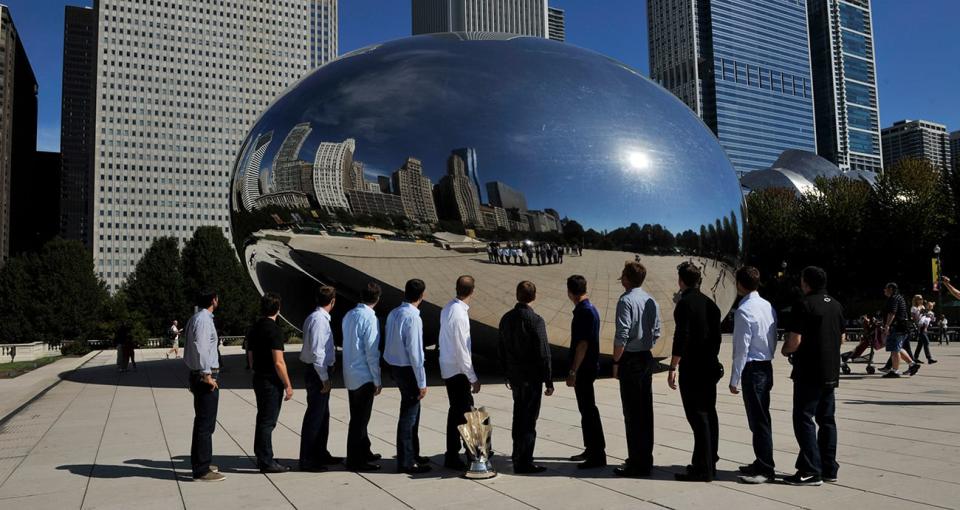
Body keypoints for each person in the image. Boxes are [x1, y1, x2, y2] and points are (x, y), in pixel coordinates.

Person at [781, 266, 843, 486]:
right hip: (830, 371)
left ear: (806, 282)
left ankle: (810, 469)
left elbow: (795, 341)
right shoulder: (836, 305)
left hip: (809, 371)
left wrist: (785, 350)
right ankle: (829, 468)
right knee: (827, 420)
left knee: (804, 418)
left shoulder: (803, 304)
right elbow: (842, 338)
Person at [668, 262, 722, 482]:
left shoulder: (684, 304)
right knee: (709, 414)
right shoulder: (711, 304)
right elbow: (717, 339)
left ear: (681, 281)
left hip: (693, 368)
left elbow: (682, 336)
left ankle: (704, 469)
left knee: (697, 416)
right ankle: (707, 461)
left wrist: (673, 365)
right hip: (709, 365)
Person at [498, 280, 554, 474]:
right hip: (531, 378)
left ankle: (517, 454)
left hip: (515, 377)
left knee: (518, 416)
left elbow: (501, 348)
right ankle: (525, 461)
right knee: (529, 420)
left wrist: (507, 372)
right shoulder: (535, 320)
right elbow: (543, 352)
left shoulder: (506, 318)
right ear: (534, 296)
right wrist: (548, 380)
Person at [729, 266, 778, 484]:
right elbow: (773, 336)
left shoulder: (743, 310)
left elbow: (741, 348)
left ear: (740, 284)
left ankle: (766, 468)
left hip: (752, 368)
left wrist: (734, 378)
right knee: (761, 418)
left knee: (758, 421)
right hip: (766, 365)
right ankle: (761, 460)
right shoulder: (767, 306)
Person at [612, 261, 661, 478]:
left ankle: (636, 463)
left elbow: (622, 334)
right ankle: (645, 459)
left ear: (627, 278)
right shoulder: (651, 300)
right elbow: (657, 331)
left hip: (630, 359)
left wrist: (616, 362)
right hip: (645, 357)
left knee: (632, 414)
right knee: (645, 411)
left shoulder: (626, 301)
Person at [384, 279, 431, 474]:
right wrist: (422, 381)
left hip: (395, 365)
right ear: (422, 295)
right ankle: (406, 460)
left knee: (413, 412)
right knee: (409, 415)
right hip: (407, 369)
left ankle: (413, 453)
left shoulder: (394, 313)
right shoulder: (413, 317)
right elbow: (415, 353)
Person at [246, 292, 294, 473]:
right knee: (268, 421)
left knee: (262, 418)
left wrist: (254, 368)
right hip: (271, 381)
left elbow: (250, 354)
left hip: (258, 377)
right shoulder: (274, 330)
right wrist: (288, 385)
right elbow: (278, 362)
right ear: (278, 309)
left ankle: (262, 454)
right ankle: (266, 460)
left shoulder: (255, 327)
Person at [439, 275, 482, 470]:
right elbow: (462, 348)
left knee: (456, 413)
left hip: (449, 367)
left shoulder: (449, 307)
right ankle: (467, 452)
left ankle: (454, 452)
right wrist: (472, 377)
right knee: (465, 412)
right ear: (472, 291)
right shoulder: (458, 313)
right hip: (458, 370)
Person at [564, 275, 606, 469]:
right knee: (587, 410)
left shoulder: (585, 312)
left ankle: (597, 454)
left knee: (589, 410)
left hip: (584, 369)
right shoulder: (589, 309)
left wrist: (573, 371)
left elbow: (582, 344)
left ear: (570, 292)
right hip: (587, 367)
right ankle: (591, 448)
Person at [342, 282, 384, 472]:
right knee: (360, 420)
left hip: (350, 372)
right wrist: (377, 379)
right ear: (377, 298)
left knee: (357, 416)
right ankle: (355, 459)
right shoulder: (370, 318)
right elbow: (371, 352)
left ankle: (364, 450)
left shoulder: (349, 315)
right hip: (363, 374)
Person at [298, 286, 341, 472]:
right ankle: (308, 459)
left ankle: (320, 452)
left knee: (323, 415)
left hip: (318, 371)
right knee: (315, 417)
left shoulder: (315, 318)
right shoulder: (319, 321)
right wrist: (324, 377)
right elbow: (317, 352)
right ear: (332, 301)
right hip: (318, 373)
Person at [183, 290, 225, 482]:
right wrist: (206, 374)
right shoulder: (204, 320)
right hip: (205, 376)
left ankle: (202, 462)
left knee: (204, 422)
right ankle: (201, 469)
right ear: (213, 300)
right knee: (205, 424)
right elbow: (201, 347)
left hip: (200, 375)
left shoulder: (197, 318)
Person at [881, 283, 920, 378]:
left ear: (890, 289)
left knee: (895, 349)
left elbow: (892, 313)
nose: (884, 290)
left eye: (885, 288)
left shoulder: (894, 298)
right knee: (897, 348)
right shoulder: (899, 297)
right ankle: (912, 365)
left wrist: (887, 325)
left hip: (897, 326)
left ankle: (895, 371)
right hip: (902, 326)